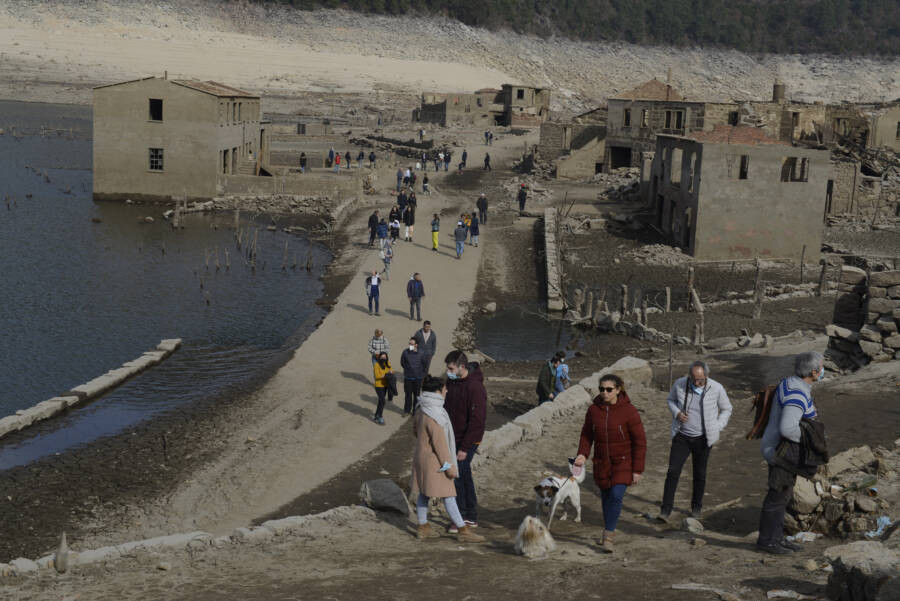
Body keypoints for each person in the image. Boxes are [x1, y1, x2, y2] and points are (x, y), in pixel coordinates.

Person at [756, 352, 826, 555]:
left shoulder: (791, 383)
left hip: (782, 451)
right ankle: (767, 542)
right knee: (777, 496)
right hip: (781, 453)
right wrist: (812, 442)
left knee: (784, 495)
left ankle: (776, 538)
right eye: (821, 368)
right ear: (813, 372)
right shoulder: (796, 392)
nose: (822, 371)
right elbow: (788, 428)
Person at [574, 374, 647, 553]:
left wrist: (637, 470)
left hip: (623, 461)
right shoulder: (593, 410)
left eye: (608, 389)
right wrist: (583, 454)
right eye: (601, 389)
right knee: (606, 498)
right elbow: (586, 435)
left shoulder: (629, 411)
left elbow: (640, 441)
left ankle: (608, 535)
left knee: (616, 495)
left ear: (618, 390)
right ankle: (608, 529)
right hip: (601, 462)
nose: (604, 393)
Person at [411, 375, 485, 542]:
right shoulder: (435, 413)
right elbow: (441, 446)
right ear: (438, 391)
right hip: (437, 463)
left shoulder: (421, 407)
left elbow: (415, 431)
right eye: (444, 389)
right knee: (449, 494)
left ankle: (422, 528)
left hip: (421, 458)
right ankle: (463, 530)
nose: (446, 391)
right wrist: (449, 467)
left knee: (424, 494)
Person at [658, 361, 733, 523]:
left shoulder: (716, 388)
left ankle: (696, 508)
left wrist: (718, 426)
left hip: (704, 438)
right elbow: (670, 400)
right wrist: (677, 413)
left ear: (706, 376)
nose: (697, 382)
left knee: (699, 474)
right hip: (682, 436)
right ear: (689, 376)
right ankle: (665, 510)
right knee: (672, 472)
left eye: (701, 379)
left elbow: (727, 408)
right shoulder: (680, 384)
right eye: (694, 379)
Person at [443, 350, 487, 529]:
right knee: (464, 475)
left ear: (462, 367)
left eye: (451, 368)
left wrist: (464, 448)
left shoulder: (475, 387)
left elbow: (478, 421)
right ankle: (470, 515)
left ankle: (461, 516)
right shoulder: (452, 382)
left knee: (458, 477)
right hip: (454, 438)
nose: (448, 371)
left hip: (467, 441)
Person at [400, 337, 425, 416]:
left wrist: (420, 373)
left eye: (412, 344)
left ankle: (415, 411)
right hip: (408, 378)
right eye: (409, 343)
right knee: (408, 395)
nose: (410, 345)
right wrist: (408, 369)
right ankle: (407, 411)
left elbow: (424, 364)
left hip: (418, 378)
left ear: (416, 345)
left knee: (417, 396)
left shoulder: (421, 353)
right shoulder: (405, 352)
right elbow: (402, 363)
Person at [372, 351, 393, 425]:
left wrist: (390, 373)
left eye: (385, 357)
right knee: (383, 401)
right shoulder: (376, 365)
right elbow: (377, 376)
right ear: (379, 357)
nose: (383, 358)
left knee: (380, 401)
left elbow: (391, 371)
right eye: (382, 357)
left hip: (385, 386)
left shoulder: (388, 364)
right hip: (379, 386)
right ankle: (380, 416)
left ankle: (376, 415)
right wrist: (385, 375)